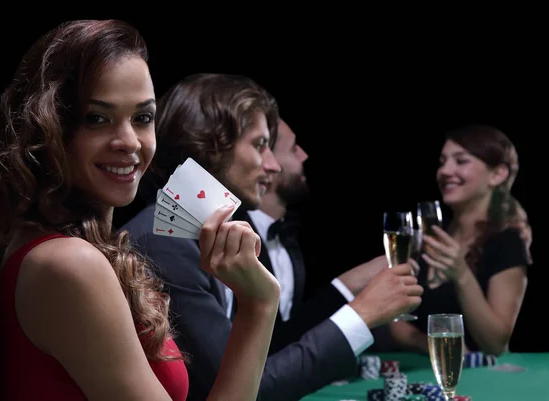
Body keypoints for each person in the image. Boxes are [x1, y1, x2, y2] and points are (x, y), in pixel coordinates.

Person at [0, 20, 280, 401]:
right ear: (48, 127)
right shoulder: (68, 264)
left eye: (143, 117)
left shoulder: (64, 248)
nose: (129, 141)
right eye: (97, 118)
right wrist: (259, 305)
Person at [122, 72, 424, 401]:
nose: (274, 165)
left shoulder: (222, 234)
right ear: (211, 146)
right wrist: (362, 315)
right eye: (260, 145)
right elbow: (251, 389)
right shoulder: (164, 242)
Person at [237, 118, 400, 353]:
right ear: (265, 161)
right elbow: (263, 346)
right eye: (293, 148)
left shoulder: (287, 237)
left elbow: (290, 334)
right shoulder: (236, 238)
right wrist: (347, 287)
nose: (304, 155)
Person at [389, 124, 533, 356]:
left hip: (478, 380)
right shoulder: (432, 234)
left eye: (461, 161)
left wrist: (461, 274)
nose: (445, 171)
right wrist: (426, 343)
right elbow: (394, 318)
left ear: (497, 174)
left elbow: (495, 344)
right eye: (442, 161)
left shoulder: (506, 243)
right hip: (420, 372)